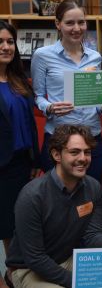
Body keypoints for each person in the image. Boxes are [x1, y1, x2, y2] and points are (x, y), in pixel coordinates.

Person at [5, 124, 102, 288]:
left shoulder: (93, 187)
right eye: (74, 152)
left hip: (69, 258)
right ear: (57, 154)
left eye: (87, 152)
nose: (83, 158)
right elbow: (35, 258)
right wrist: (80, 283)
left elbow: (92, 236)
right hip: (28, 269)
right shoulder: (32, 195)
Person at [31, 0, 102, 182]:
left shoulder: (94, 57)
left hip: (91, 138)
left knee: (91, 195)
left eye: (81, 22)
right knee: (57, 200)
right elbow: (37, 96)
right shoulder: (42, 56)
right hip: (59, 139)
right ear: (58, 24)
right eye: (69, 23)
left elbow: (93, 102)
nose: (77, 28)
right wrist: (50, 107)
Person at [0, 20, 39, 288]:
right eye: (0, 42)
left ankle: (15, 273)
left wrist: (35, 159)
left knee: (19, 222)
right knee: (4, 223)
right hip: (1, 165)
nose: (6, 47)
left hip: (23, 163)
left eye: (10, 42)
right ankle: (10, 275)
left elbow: (29, 122)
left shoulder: (18, 79)